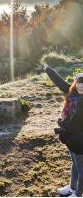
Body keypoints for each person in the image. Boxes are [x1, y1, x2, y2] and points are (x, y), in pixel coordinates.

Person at [44, 63, 83, 197]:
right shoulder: (72, 95)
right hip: (71, 138)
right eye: (79, 83)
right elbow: (60, 82)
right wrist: (48, 69)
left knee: (81, 168)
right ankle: (72, 188)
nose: (81, 85)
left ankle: (78, 194)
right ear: (75, 84)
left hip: (80, 140)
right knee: (75, 164)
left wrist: (63, 129)